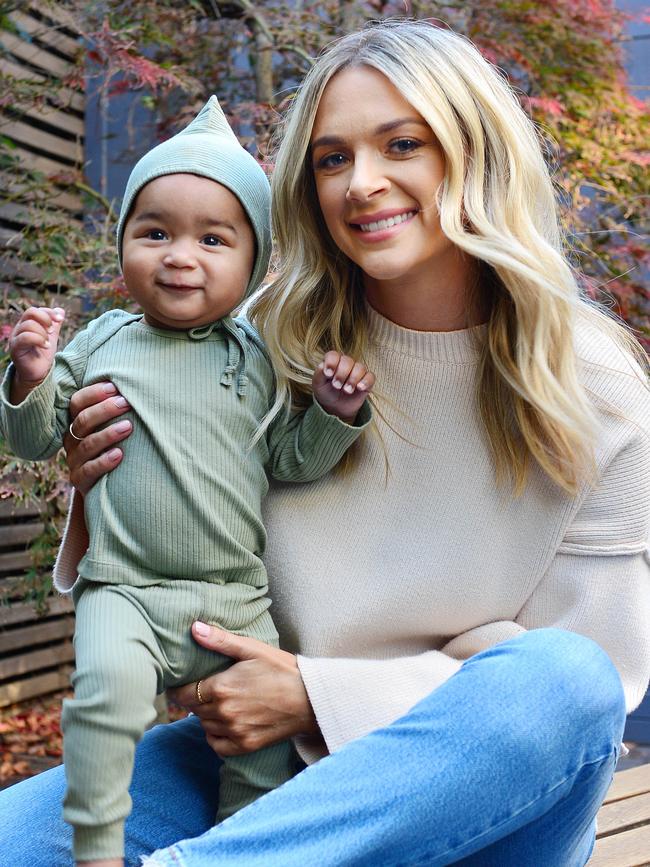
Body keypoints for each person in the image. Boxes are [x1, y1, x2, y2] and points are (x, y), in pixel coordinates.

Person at [1, 18, 649, 867]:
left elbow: (589, 685)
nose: (361, 183)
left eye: (402, 144)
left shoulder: (592, 381)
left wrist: (315, 693)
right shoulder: (263, 344)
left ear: (474, 151)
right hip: (266, 769)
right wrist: (106, 475)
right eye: (332, 158)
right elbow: (179, 564)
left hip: (477, 795)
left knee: (563, 674)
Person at [0, 96, 374, 867]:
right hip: (124, 588)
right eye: (156, 232)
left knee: (262, 755)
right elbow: (38, 436)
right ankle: (97, 852)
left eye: (213, 238)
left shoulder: (258, 357)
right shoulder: (104, 340)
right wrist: (29, 375)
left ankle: (240, 849)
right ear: (123, 245)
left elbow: (290, 462)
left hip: (234, 597)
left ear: (252, 261)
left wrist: (334, 414)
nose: (180, 255)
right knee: (103, 704)